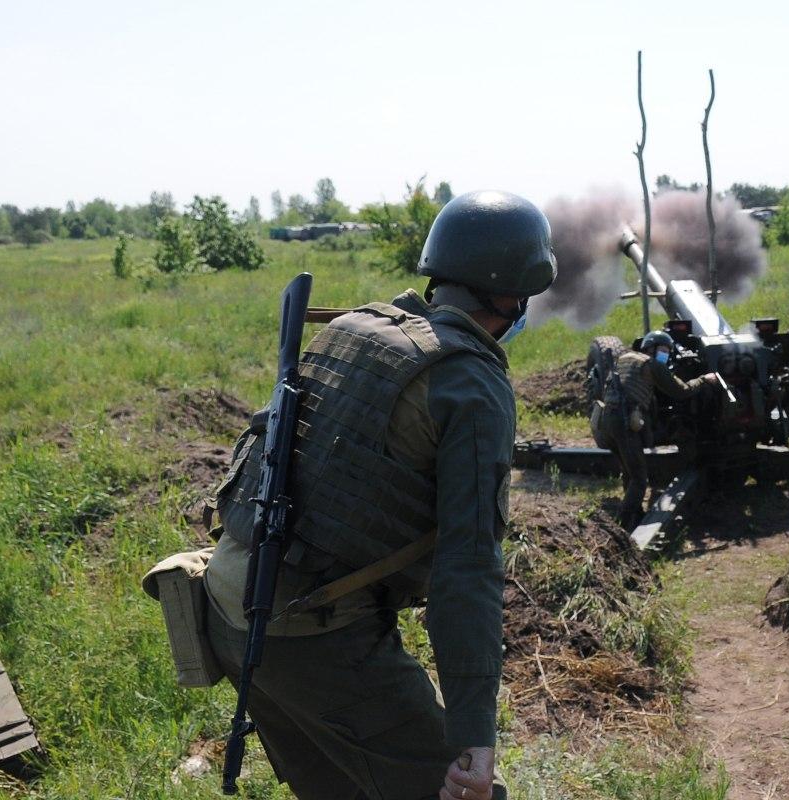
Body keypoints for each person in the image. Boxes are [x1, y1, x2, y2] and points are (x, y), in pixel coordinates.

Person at [202, 190, 555, 800]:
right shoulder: (468, 383)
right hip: (309, 633)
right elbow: (467, 567)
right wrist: (473, 732)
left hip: (230, 607)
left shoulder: (353, 328)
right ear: (512, 293)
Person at [600, 330, 719, 530]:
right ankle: (621, 527)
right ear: (652, 349)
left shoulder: (626, 358)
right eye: (663, 350)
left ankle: (636, 514)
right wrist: (704, 380)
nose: (665, 354)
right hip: (624, 421)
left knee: (629, 471)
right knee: (639, 479)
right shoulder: (652, 365)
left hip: (607, 420)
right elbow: (681, 391)